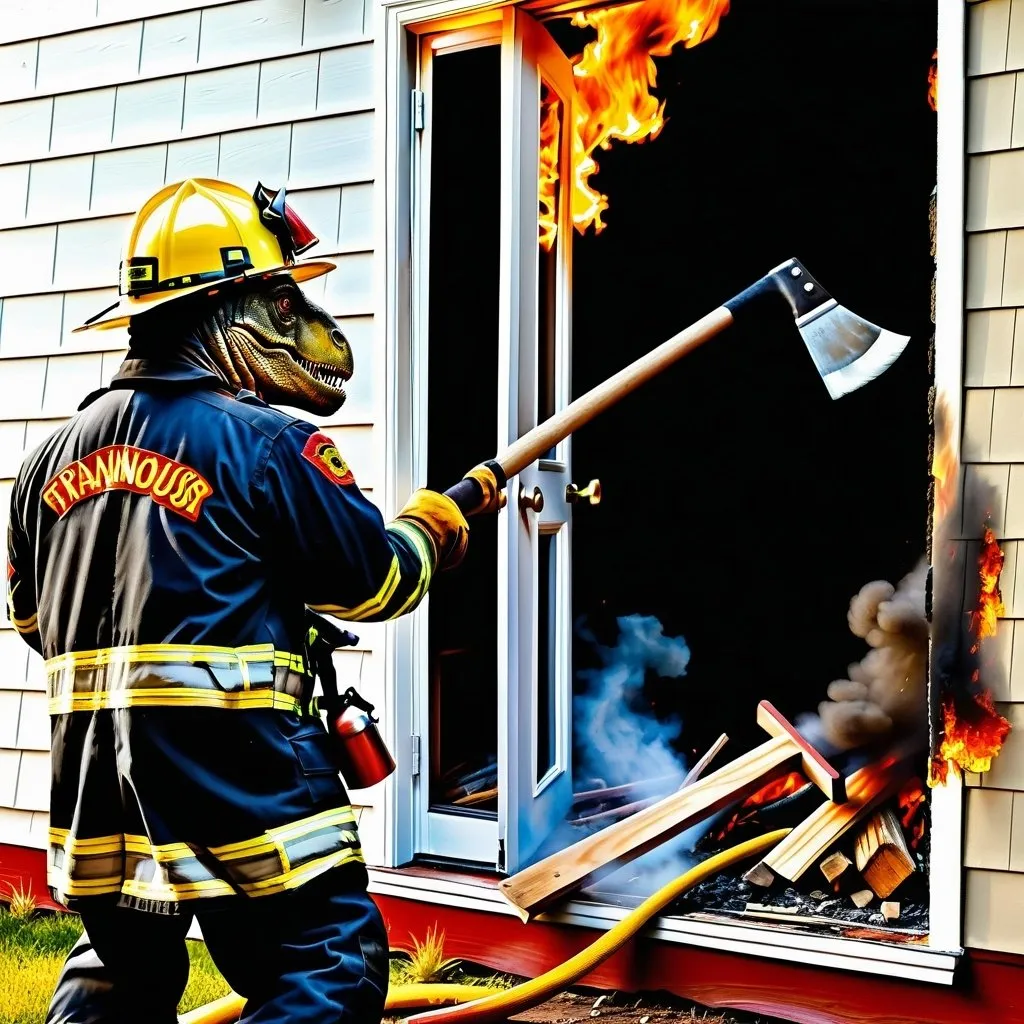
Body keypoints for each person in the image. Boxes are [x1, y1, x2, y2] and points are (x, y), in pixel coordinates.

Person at [5, 177, 479, 1024]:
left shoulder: (46, 465)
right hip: (243, 781)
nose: (302, 322)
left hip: (97, 796)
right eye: (280, 299)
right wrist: (431, 529)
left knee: (121, 975)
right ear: (226, 309)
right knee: (326, 963)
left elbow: (36, 625)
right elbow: (376, 582)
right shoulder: (270, 445)